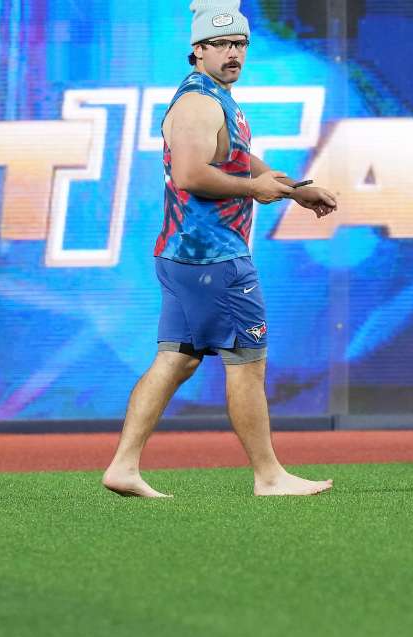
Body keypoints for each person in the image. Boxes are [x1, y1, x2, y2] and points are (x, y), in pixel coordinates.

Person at [102, 0, 339, 498]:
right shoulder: (198, 103)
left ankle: (123, 466)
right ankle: (269, 476)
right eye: (221, 45)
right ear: (198, 49)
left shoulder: (214, 96)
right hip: (213, 259)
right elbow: (191, 174)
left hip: (188, 255)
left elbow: (234, 156)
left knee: (177, 359)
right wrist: (254, 190)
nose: (233, 54)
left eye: (239, 45)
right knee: (248, 365)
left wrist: (294, 188)